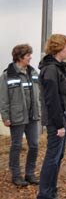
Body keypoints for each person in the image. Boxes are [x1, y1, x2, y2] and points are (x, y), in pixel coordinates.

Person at [37, 34, 66, 199]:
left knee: (57, 157)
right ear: (58, 49)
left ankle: (51, 191)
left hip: (62, 120)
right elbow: (52, 100)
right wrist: (60, 124)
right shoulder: (51, 70)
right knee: (52, 158)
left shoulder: (57, 68)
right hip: (57, 122)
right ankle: (45, 194)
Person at [0, 44, 41, 187]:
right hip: (17, 116)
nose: (30, 57)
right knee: (16, 146)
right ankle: (16, 175)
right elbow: (3, 98)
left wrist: (40, 110)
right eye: (28, 55)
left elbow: (38, 94)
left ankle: (30, 174)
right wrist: (5, 117)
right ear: (20, 57)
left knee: (35, 145)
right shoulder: (7, 75)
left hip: (32, 116)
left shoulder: (33, 73)